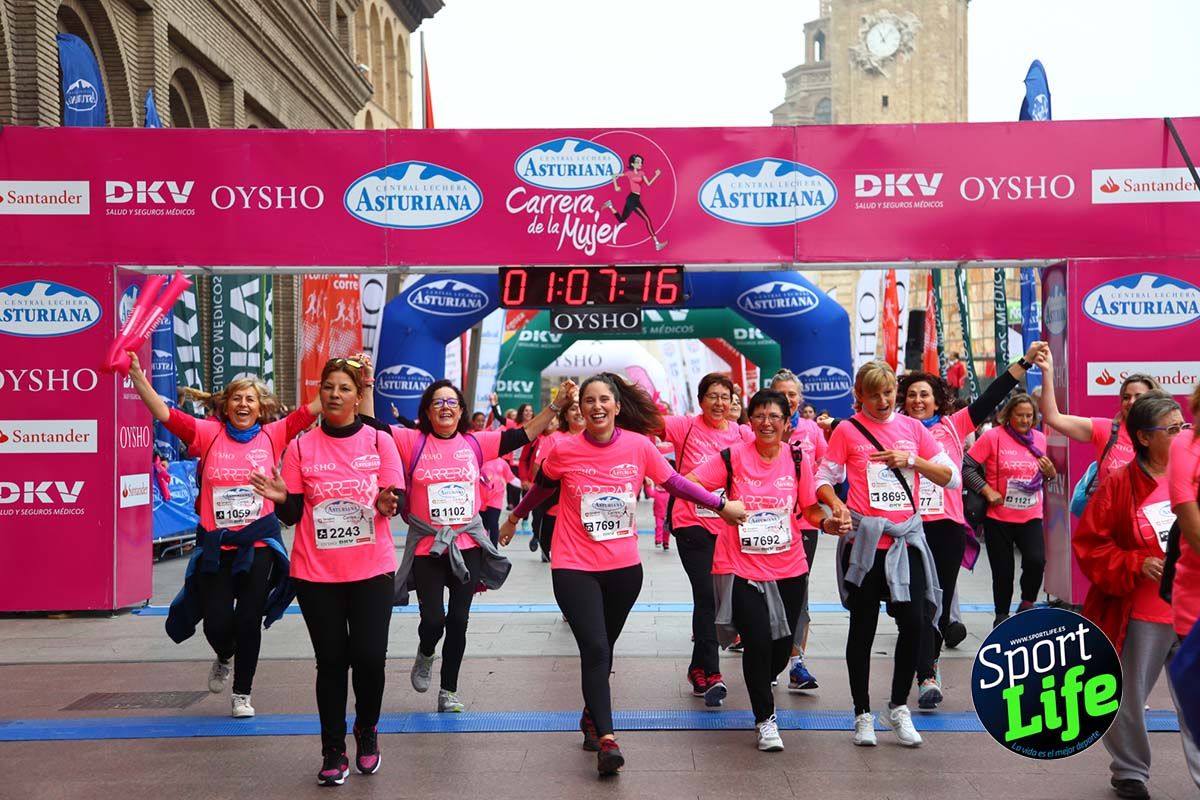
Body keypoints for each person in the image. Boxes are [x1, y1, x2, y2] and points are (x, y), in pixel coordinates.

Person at [499, 373, 746, 776]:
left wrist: (720, 505)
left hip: (624, 570)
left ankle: (591, 715)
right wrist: (513, 518)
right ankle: (608, 739)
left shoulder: (639, 446)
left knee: (603, 649)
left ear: (616, 407)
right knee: (595, 649)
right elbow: (542, 489)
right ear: (581, 409)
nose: (596, 406)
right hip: (574, 565)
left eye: (604, 400)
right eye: (589, 401)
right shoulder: (563, 449)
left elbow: (678, 483)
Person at [128, 351, 321, 719]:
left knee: (248, 619)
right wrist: (138, 376)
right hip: (216, 547)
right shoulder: (207, 434)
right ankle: (224, 653)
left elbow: (312, 409)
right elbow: (164, 414)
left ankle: (242, 693)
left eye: (250, 398)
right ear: (226, 405)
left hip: (259, 544)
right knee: (216, 623)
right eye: (237, 398)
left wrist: (346, 373)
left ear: (261, 408)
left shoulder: (273, 433)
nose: (243, 404)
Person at [249, 356, 402, 786]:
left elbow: (395, 498)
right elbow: (296, 512)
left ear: (357, 397)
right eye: (328, 387)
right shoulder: (300, 446)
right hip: (317, 574)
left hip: (372, 569)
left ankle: (367, 729)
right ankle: (333, 749)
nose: (335, 395)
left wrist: (390, 504)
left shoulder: (378, 440)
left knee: (369, 659)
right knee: (331, 662)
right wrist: (281, 497)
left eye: (344, 388)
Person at [386, 380, 572, 713]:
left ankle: (448, 690)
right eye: (438, 402)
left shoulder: (475, 443)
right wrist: (367, 383)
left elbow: (525, 434)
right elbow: (371, 428)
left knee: (458, 619)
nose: (445, 407)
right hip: (428, 546)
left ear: (460, 410)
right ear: (427, 411)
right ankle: (426, 653)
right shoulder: (411, 441)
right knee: (433, 619)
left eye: (452, 402)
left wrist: (557, 405)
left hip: (468, 544)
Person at [688, 389, 850, 751]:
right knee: (758, 642)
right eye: (759, 415)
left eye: (774, 416)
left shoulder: (796, 460)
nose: (766, 422)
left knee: (781, 648)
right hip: (740, 566)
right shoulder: (731, 457)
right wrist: (721, 505)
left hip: (789, 565)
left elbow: (808, 508)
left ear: (786, 423)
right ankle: (765, 719)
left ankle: (762, 683)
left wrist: (826, 525)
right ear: (749, 421)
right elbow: (690, 483)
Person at [814, 360, 957, 748]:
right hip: (865, 544)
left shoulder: (912, 429)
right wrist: (836, 506)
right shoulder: (847, 430)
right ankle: (862, 714)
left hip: (905, 542)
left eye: (888, 392)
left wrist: (910, 460)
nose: (883, 400)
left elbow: (952, 477)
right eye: (873, 393)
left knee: (916, 623)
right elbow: (823, 478)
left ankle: (898, 707)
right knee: (863, 627)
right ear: (859, 396)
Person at [898, 341, 1048, 708]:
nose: (919, 400)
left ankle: (927, 673)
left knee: (938, 603)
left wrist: (1025, 362)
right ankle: (918, 665)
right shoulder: (894, 428)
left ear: (938, 400)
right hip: (905, 529)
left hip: (946, 527)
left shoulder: (953, 425)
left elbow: (994, 394)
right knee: (913, 608)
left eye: (926, 395)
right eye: (913, 395)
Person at [1074, 391, 1200, 799]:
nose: (1183, 435)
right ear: (1144, 438)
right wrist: (1135, 563)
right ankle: (1130, 771)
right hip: (1141, 612)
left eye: (1185, 426)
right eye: (1173, 429)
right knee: (1125, 695)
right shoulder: (1117, 485)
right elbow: (1091, 545)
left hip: (1191, 607)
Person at [657, 373, 753, 705]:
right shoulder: (686, 425)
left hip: (728, 526)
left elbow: (771, 450)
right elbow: (648, 422)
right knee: (707, 595)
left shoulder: (742, 433)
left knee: (724, 597)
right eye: (712, 396)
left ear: (732, 403)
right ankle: (711, 673)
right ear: (701, 400)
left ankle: (698, 665)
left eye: (725, 397)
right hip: (691, 523)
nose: (718, 403)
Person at [965, 394, 1055, 627]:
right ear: (1008, 416)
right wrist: (986, 490)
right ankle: (1002, 616)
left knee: (1036, 561)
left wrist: (1050, 472)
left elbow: (1046, 475)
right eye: (1020, 415)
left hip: (1030, 514)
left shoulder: (1040, 439)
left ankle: (1027, 603)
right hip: (999, 517)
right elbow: (967, 466)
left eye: (1029, 416)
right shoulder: (993, 437)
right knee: (1003, 571)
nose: (1025, 420)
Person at [769, 368, 829, 691]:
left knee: (799, 592)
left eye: (793, 394)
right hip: (767, 524)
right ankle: (769, 657)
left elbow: (824, 472)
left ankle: (796, 662)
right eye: (782, 393)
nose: (788, 400)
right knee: (767, 591)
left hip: (804, 523)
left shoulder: (812, 432)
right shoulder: (759, 427)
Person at [1036, 349, 1158, 505]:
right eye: (1126, 397)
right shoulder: (1107, 429)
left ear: (1153, 399)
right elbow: (1053, 417)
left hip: (1150, 521)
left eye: (1139, 396)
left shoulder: (1163, 434)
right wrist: (1047, 371)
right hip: (1112, 522)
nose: (1132, 401)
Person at [601, 153, 667, 251]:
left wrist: (656, 175)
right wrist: (616, 186)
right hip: (632, 199)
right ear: (632, 164)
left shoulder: (642, 173)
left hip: (635, 199)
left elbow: (648, 184)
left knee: (622, 220)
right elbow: (614, 175)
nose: (640, 163)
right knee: (647, 219)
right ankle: (657, 243)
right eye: (637, 162)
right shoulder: (629, 173)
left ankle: (610, 205)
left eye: (641, 162)